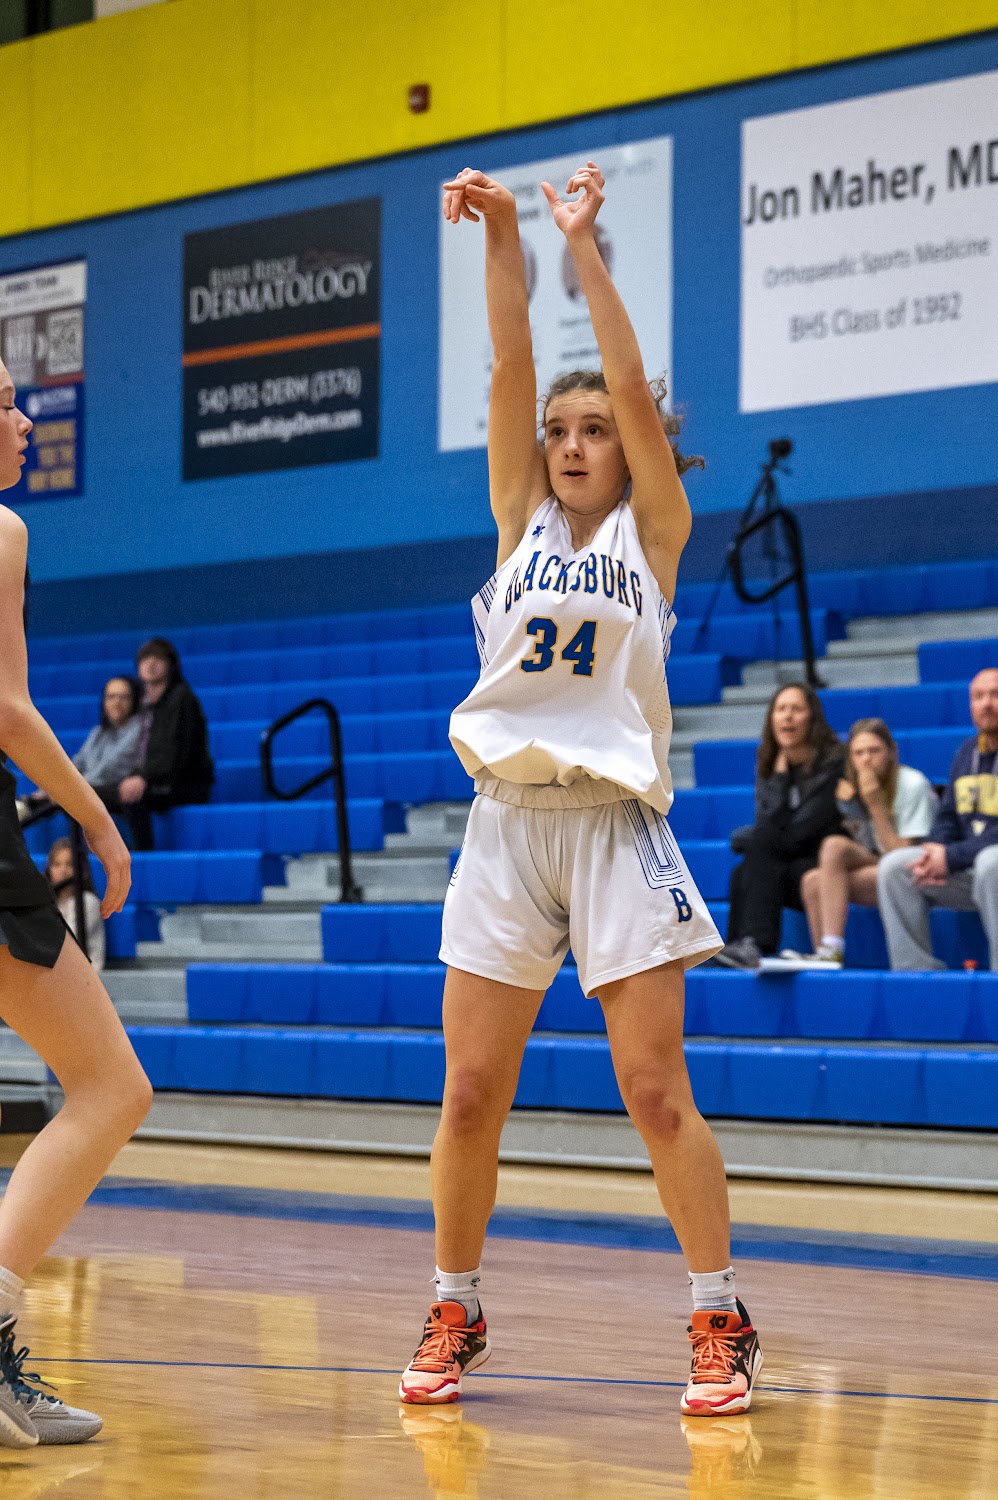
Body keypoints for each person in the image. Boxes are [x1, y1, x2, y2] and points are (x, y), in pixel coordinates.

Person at [398, 162, 762, 1418]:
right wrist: (502, 233)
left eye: (592, 428)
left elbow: (623, 381)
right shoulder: (517, 523)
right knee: (467, 1093)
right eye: (558, 429)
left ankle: (716, 1315)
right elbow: (510, 364)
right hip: (506, 826)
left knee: (653, 1091)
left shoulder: (649, 538)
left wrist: (583, 250)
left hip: (612, 828)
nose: (567, 442)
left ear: (630, 445)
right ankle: (454, 1305)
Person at [0, 358, 152, 1447]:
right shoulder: (1, 530)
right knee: (110, 1086)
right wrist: (95, 819)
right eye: (6, 402)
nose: (24, 418)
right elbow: (7, 710)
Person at [780, 719, 936, 969]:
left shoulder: (912, 784)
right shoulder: (853, 788)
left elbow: (902, 859)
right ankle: (826, 956)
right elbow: (869, 847)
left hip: (916, 871)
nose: (866, 760)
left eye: (874, 751)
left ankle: (831, 951)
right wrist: (850, 808)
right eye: (858, 753)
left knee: (829, 863)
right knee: (813, 878)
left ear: (891, 751)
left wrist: (875, 804)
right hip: (880, 862)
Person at [715, 683, 844, 971]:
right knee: (742, 872)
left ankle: (755, 943)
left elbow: (806, 830)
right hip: (786, 863)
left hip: (824, 863)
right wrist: (779, 779)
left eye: (797, 709)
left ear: (812, 718)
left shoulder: (834, 763)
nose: (787, 716)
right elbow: (767, 823)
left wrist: (753, 837)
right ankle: (738, 948)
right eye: (781, 709)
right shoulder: (771, 763)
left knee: (756, 846)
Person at [878, 669, 998, 970]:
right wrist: (934, 852)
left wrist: (952, 856)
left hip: (988, 865)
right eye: (978, 696)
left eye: (995, 694)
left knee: (991, 863)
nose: (987, 703)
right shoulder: (966, 753)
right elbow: (947, 815)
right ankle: (915, 975)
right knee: (895, 868)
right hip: (971, 867)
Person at [102, 638, 214, 851]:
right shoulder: (144, 704)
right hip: (157, 779)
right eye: (145, 659)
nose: (150, 664)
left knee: (131, 796)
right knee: (94, 795)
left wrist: (143, 778)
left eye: (158, 658)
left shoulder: (182, 698)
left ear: (171, 665)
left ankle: (143, 855)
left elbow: (176, 754)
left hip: (185, 783)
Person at [19, 675, 142, 822]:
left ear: (134, 700)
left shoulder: (140, 728)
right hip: (87, 787)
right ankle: (27, 805)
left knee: (59, 798)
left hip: (112, 789)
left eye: (123, 697)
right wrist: (51, 787)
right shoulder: (98, 732)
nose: (116, 702)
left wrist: (69, 789)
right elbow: (77, 763)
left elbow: (110, 769)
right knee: (44, 798)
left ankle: (28, 806)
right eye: (111, 697)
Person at [44, 838, 105, 972]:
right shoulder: (46, 903)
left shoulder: (88, 901)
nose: (63, 871)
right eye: (57, 865)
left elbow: (67, 943)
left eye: (70, 864)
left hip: (85, 976)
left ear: (81, 869)